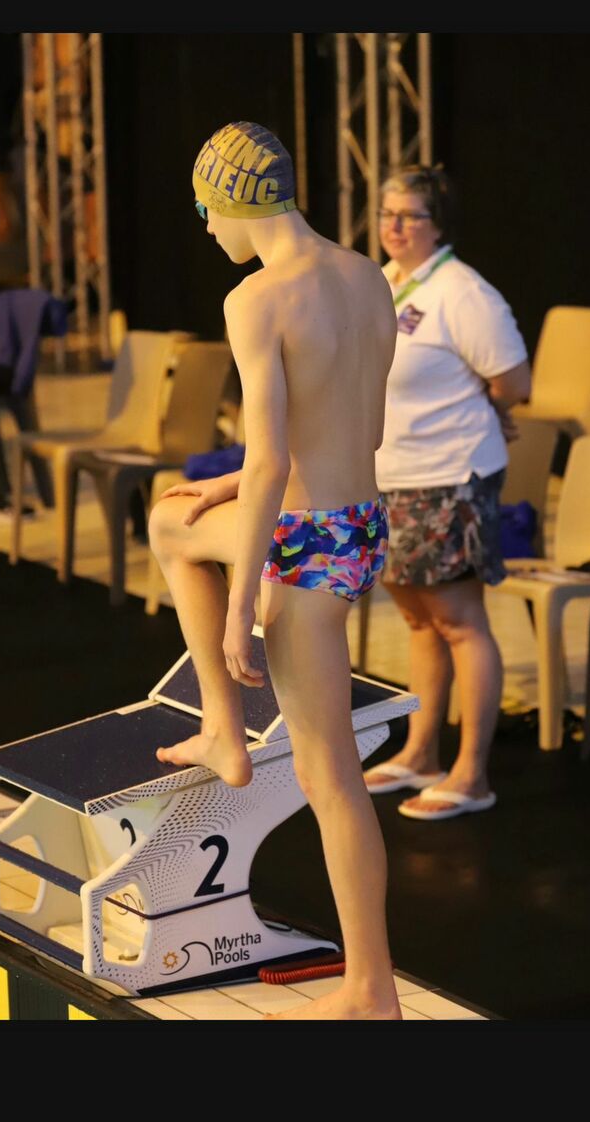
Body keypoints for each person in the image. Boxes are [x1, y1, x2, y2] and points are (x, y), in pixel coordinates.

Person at [148, 121, 399, 1021]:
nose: (207, 231)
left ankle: (370, 990)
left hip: (303, 542)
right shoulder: (365, 275)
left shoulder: (255, 299)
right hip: (359, 523)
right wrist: (228, 489)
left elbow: (268, 464)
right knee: (174, 518)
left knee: (332, 779)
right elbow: (357, 429)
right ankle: (222, 730)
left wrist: (236, 613)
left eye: (204, 212)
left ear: (230, 203)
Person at [363, 166, 530, 820]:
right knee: (417, 620)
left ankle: (471, 774)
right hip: (392, 474)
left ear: (439, 225)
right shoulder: (381, 282)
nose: (395, 226)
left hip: (451, 476)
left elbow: (513, 382)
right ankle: (421, 753)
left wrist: (488, 409)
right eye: (387, 213)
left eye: (410, 215)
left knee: (459, 622)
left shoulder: (463, 293)